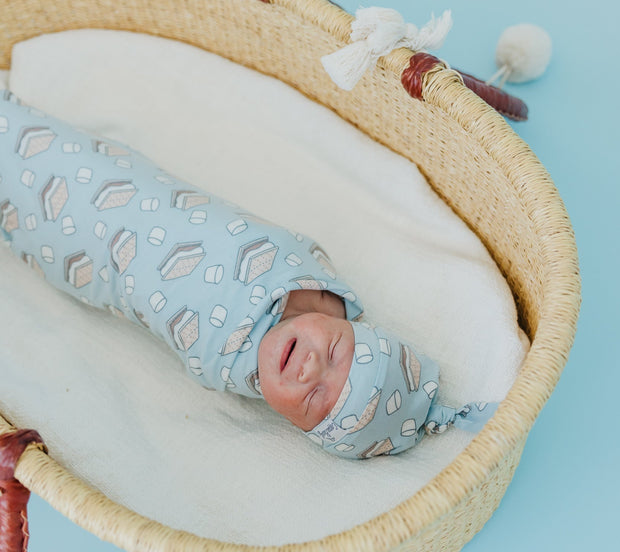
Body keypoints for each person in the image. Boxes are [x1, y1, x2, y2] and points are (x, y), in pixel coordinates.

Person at [0, 88, 498, 459]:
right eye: (334, 353)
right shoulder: (315, 281)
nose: (308, 369)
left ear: (294, 426)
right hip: (136, 190)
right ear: (350, 324)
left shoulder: (233, 364)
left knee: (36, 219)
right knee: (64, 154)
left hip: (91, 253)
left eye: (317, 398)